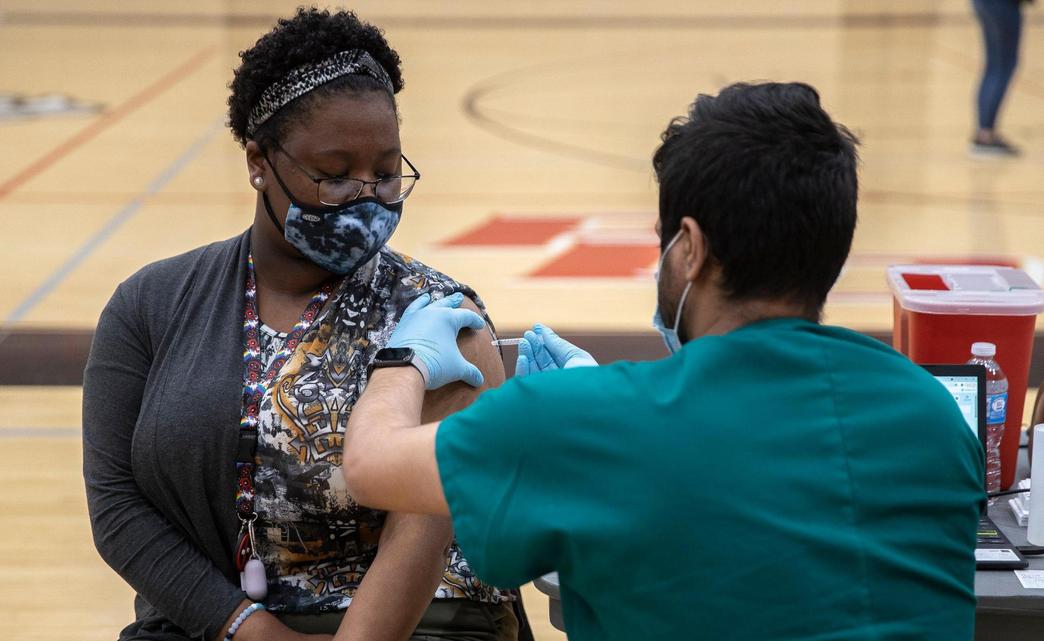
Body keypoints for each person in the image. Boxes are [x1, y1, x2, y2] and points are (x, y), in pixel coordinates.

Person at [342, 83, 986, 640]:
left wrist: (407, 356)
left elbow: (372, 467)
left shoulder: (574, 426)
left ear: (689, 249)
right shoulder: (933, 414)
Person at [83, 9, 520, 641]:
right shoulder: (149, 304)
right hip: (207, 628)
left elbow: (426, 524)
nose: (367, 195)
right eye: (335, 175)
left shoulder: (441, 313)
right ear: (260, 162)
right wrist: (248, 629)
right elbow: (119, 510)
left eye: (387, 171)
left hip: (423, 625)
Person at [971, 0, 1031, 156]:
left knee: (994, 65)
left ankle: (984, 132)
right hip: (1002, 4)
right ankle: (986, 135)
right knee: (1003, 65)